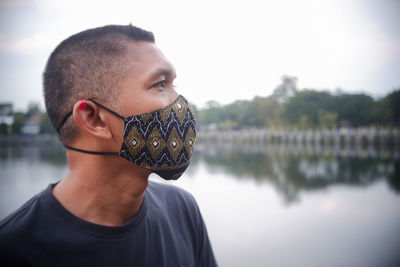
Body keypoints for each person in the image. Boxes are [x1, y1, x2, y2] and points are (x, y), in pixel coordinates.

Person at [0, 24, 217, 267]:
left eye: (174, 85)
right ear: (94, 119)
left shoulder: (181, 210)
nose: (180, 103)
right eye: (160, 84)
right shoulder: (13, 250)